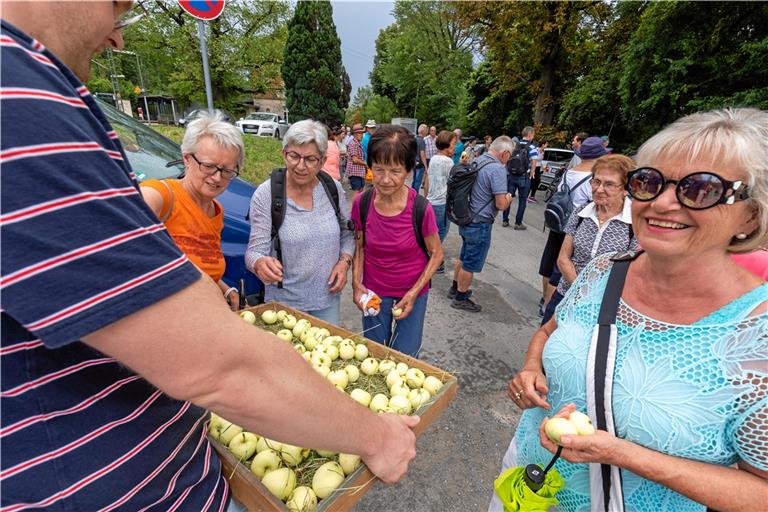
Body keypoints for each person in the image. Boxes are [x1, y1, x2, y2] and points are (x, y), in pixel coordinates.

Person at [0, 4, 419, 510]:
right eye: (118, 5)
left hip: (168, 462)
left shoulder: (307, 196)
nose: (116, 38)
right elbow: (220, 365)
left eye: (227, 169)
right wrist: (375, 435)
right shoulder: (23, 102)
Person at [492, 108, 768, 512]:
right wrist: (533, 367)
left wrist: (622, 453)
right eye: (649, 182)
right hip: (525, 485)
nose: (663, 202)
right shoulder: (604, 270)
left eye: (701, 188)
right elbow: (551, 330)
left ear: (751, 214)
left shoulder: (756, 338)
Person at [245, 120, 353, 325]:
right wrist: (260, 263)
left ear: (322, 161)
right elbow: (253, 253)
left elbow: (346, 233)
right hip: (284, 306)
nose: (300, 166)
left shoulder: (333, 189)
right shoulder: (267, 194)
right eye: (294, 156)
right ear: (283, 153)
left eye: (310, 159)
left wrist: (344, 262)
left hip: (327, 301)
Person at [351, 125, 443, 357]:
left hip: (412, 291)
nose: (385, 180)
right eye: (379, 169)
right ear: (370, 167)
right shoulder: (361, 203)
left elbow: (436, 254)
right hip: (374, 293)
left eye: (395, 171)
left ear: (409, 171)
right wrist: (355, 283)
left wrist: (413, 293)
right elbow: (359, 246)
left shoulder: (421, 208)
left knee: (404, 358)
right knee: (374, 354)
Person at [140, 111, 244, 311]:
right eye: (208, 166)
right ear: (187, 159)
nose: (217, 178)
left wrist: (224, 289)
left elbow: (202, 264)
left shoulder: (215, 210)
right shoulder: (162, 196)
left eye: (227, 170)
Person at [541, 154, 639, 323]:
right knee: (545, 342)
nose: (599, 189)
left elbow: (633, 272)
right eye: (596, 181)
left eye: (609, 184)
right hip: (565, 295)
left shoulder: (634, 223)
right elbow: (563, 258)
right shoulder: (581, 212)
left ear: (625, 189)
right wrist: (581, 290)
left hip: (602, 307)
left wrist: (592, 298)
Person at [448, 137, 515, 312]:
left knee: (464, 256)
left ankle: (455, 288)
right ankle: (460, 298)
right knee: (470, 263)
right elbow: (500, 204)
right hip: (480, 223)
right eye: (510, 155)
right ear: (505, 153)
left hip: (467, 217)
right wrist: (508, 198)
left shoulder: (477, 160)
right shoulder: (497, 169)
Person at [536, 131, 594, 315]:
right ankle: (550, 306)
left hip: (558, 222)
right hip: (575, 227)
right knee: (561, 267)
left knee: (549, 261)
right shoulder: (593, 179)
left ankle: (544, 299)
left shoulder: (570, 173)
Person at [423, 129, 456, 272]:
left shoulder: (434, 158)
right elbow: (453, 184)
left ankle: (430, 258)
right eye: (453, 144)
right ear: (447, 145)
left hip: (430, 201)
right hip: (442, 203)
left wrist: (425, 197)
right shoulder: (449, 162)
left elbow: (427, 179)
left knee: (431, 232)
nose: (455, 147)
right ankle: (434, 261)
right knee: (440, 233)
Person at [502, 126, 539, 230]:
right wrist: (532, 172)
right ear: (530, 134)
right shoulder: (532, 147)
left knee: (508, 197)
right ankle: (518, 223)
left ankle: (505, 220)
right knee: (522, 200)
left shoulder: (514, 145)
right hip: (524, 177)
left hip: (512, 175)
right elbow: (534, 162)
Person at [346, 123, 367, 193]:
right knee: (357, 194)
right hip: (355, 173)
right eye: (360, 133)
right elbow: (355, 159)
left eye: (362, 133)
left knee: (361, 193)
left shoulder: (358, 143)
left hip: (359, 172)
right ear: (355, 134)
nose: (362, 135)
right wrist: (365, 164)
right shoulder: (353, 144)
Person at [412, 123, 428, 193]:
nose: (427, 131)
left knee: (414, 180)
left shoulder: (414, 139)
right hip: (420, 164)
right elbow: (422, 154)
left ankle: (411, 193)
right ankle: (415, 196)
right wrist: (425, 166)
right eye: (426, 129)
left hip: (414, 163)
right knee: (418, 182)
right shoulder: (422, 141)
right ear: (423, 131)